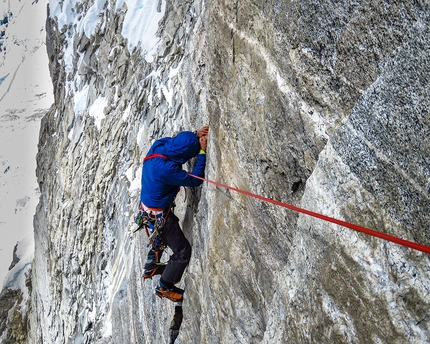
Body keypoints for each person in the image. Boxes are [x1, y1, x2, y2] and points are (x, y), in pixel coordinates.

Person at [138, 126, 209, 302]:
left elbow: (178, 142)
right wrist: (201, 153)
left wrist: (193, 136)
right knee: (182, 251)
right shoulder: (166, 169)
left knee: (161, 233)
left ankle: (151, 265)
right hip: (161, 215)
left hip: (148, 209)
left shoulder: (159, 146)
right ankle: (165, 286)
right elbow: (195, 180)